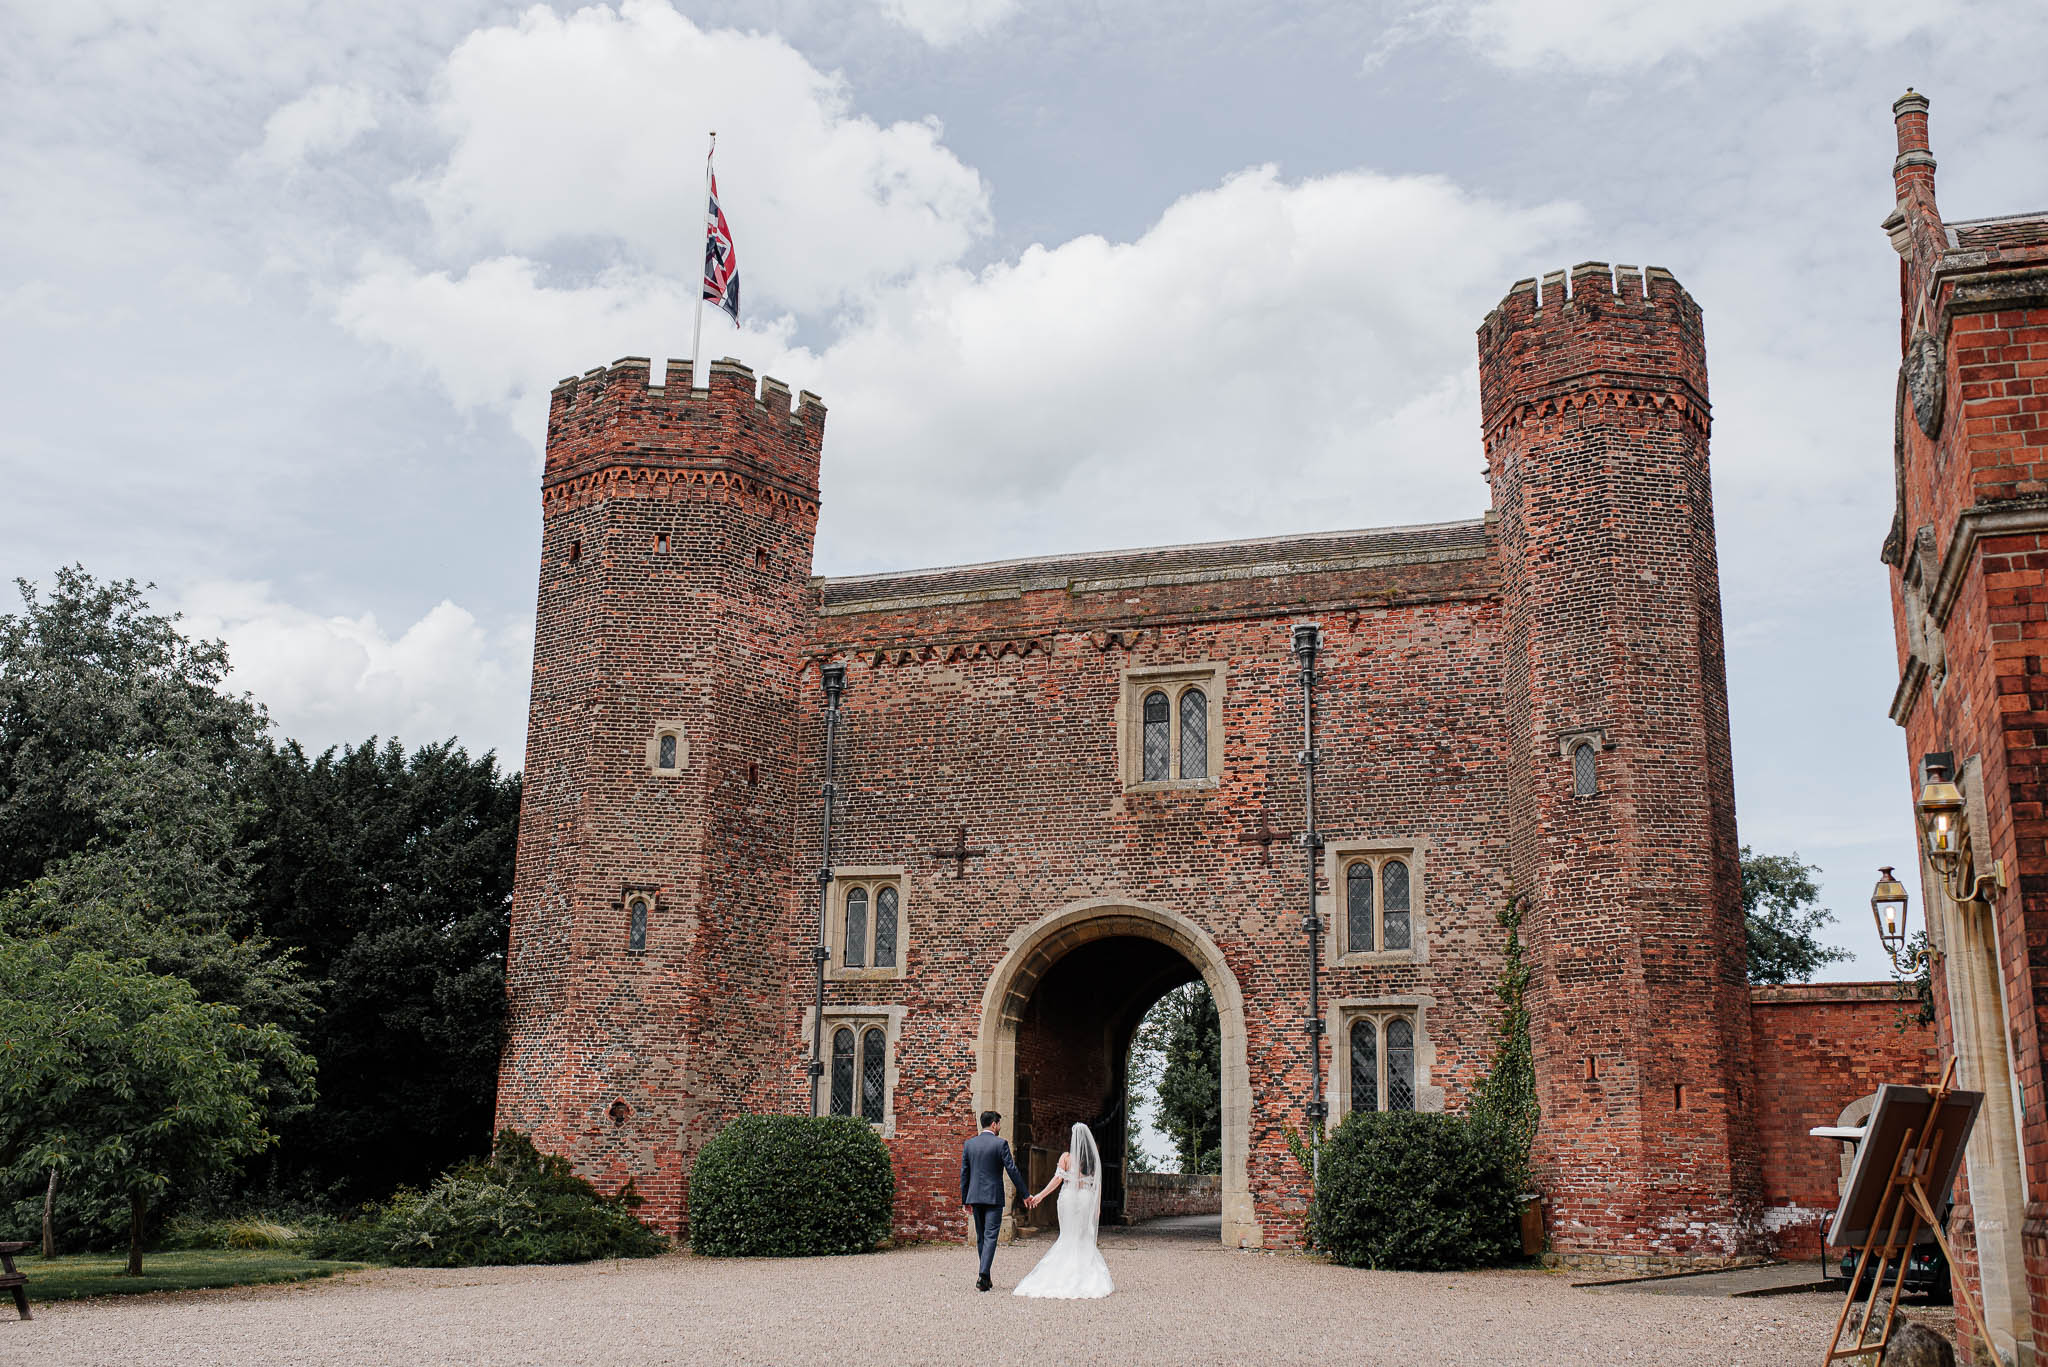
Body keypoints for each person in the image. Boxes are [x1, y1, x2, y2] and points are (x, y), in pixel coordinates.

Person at [1014, 1122, 1114, 1299]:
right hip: (1085, 1198)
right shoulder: (1092, 1160)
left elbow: (1057, 1180)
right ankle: (1084, 1274)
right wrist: (1097, 1207)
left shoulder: (1066, 1157)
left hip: (1068, 1198)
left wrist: (1040, 1195)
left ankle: (1062, 1272)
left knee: (1068, 1235)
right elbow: (1097, 1186)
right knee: (1082, 1235)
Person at [960, 1109, 1027, 1292]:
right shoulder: (1001, 1144)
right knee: (990, 1237)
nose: (1000, 1128)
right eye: (999, 1124)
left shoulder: (969, 1144)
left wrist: (964, 1199)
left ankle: (985, 1276)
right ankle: (982, 1276)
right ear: (994, 1124)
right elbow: (1012, 1170)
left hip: (974, 1196)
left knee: (982, 1237)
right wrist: (1025, 1194)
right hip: (993, 1197)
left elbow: (964, 1173)